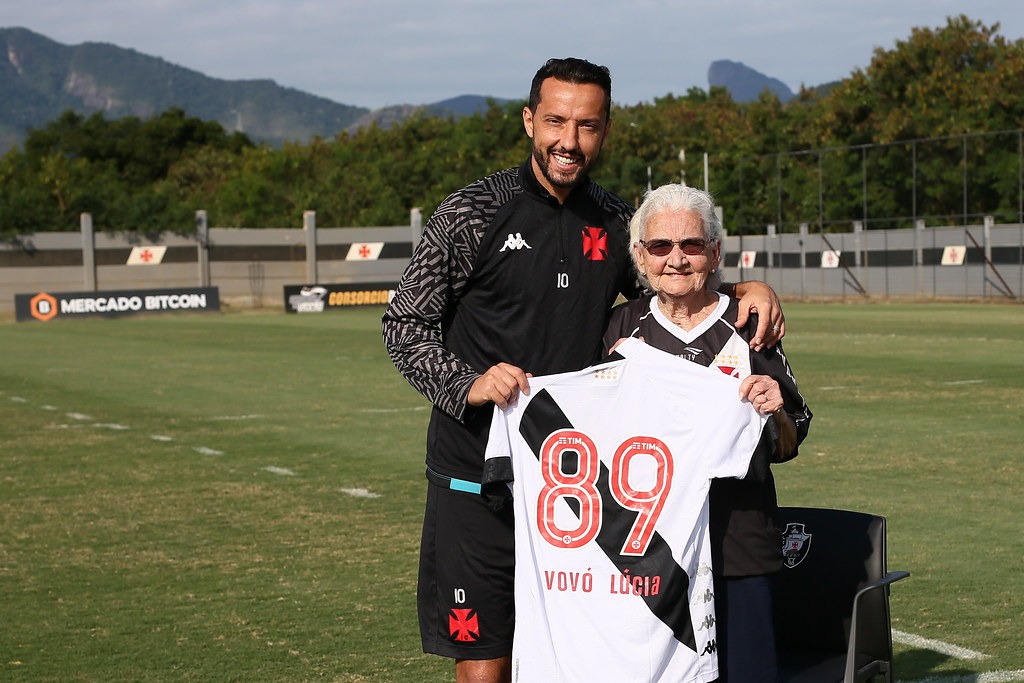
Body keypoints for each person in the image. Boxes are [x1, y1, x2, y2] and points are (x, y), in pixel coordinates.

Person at [382, 57, 785, 683]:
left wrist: (744, 289)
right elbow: (404, 325)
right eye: (556, 122)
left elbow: (671, 283)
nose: (569, 141)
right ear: (529, 122)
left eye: (587, 126)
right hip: (476, 482)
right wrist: (468, 384)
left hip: (580, 492)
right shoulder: (469, 212)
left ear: (605, 130)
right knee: (486, 665)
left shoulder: (616, 221)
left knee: (581, 658)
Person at [602, 183, 813, 683]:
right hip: (645, 557)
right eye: (660, 247)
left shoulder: (749, 325)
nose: (676, 259)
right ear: (640, 257)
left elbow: (792, 439)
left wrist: (774, 412)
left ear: (714, 252)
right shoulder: (615, 330)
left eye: (691, 245)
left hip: (738, 548)